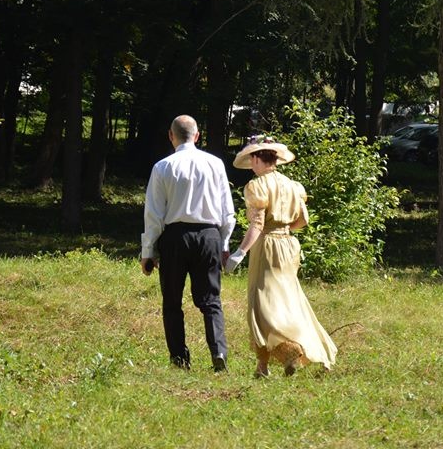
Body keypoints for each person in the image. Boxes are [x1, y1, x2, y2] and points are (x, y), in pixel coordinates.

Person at [225, 135, 337, 378]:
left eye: (251, 159)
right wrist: (283, 229)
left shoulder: (257, 186)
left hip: (266, 246)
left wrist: (240, 252)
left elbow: (256, 225)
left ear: (256, 158)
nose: (251, 165)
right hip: (288, 245)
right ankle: (262, 366)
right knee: (286, 299)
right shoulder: (292, 186)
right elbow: (303, 220)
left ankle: (289, 351)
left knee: (262, 305)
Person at [141, 115, 235, 373]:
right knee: (211, 300)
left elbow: (154, 214)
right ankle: (219, 352)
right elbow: (228, 210)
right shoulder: (215, 164)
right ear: (197, 135)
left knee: (172, 301)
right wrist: (224, 243)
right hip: (209, 235)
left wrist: (148, 251)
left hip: (175, 237)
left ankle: (179, 360)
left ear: (171, 137)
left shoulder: (162, 167)